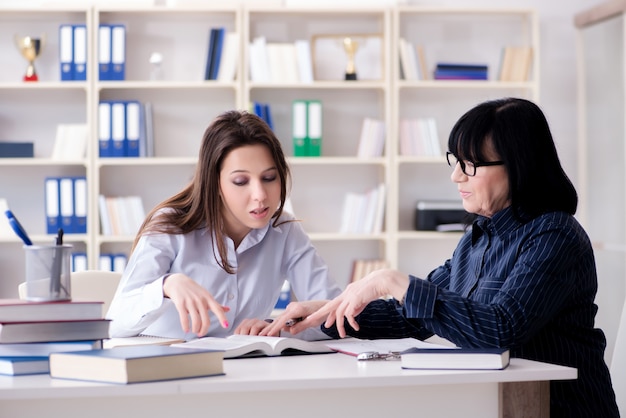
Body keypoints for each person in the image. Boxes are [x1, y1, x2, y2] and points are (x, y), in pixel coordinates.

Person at [263, 97, 620, 417]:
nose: (455, 176)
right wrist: (327, 313)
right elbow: (410, 318)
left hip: (556, 407)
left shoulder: (554, 234)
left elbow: (501, 330)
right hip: (495, 404)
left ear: (518, 165)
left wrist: (393, 280)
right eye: (456, 161)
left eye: (470, 165)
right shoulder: (476, 239)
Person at [106, 110, 341, 341]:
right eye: (240, 181)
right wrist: (167, 285)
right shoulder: (170, 227)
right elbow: (115, 323)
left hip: (241, 370)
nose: (260, 195)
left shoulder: (285, 231)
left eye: (269, 178)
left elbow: (335, 316)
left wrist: (276, 327)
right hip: (167, 369)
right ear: (214, 182)